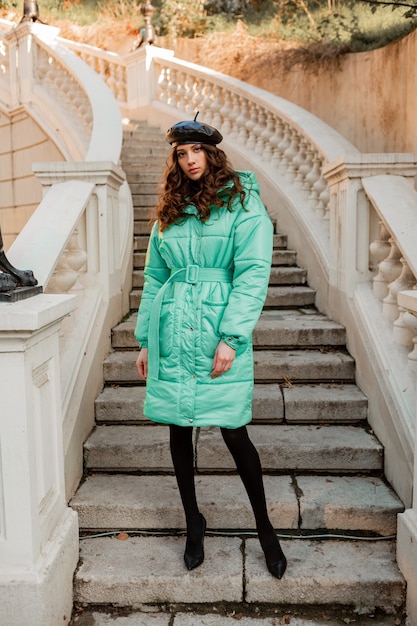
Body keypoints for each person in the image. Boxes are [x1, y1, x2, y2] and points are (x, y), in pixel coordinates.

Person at [135, 114, 287, 580]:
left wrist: (232, 337)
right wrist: (145, 340)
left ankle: (266, 530)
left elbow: (253, 272)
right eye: (181, 153)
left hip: (217, 324)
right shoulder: (170, 208)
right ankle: (193, 523)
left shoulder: (242, 202)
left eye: (195, 150)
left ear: (212, 153)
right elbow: (154, 278)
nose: (188, 160)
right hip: (172, 323)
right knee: (178, 430)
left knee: (234, 432)